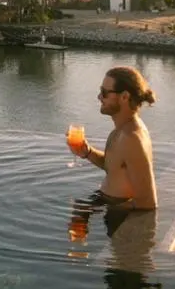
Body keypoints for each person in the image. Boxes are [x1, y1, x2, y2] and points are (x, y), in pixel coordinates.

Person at [67, 66, 157, 210]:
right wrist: (87, 152)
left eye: (104, 93)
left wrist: (102, 210)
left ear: (124, 97)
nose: (99, 97)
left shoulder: (132, 138)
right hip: (106, 203)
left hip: (118, 216)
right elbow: (114, 167)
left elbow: (147, 202)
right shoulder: (121, 131)